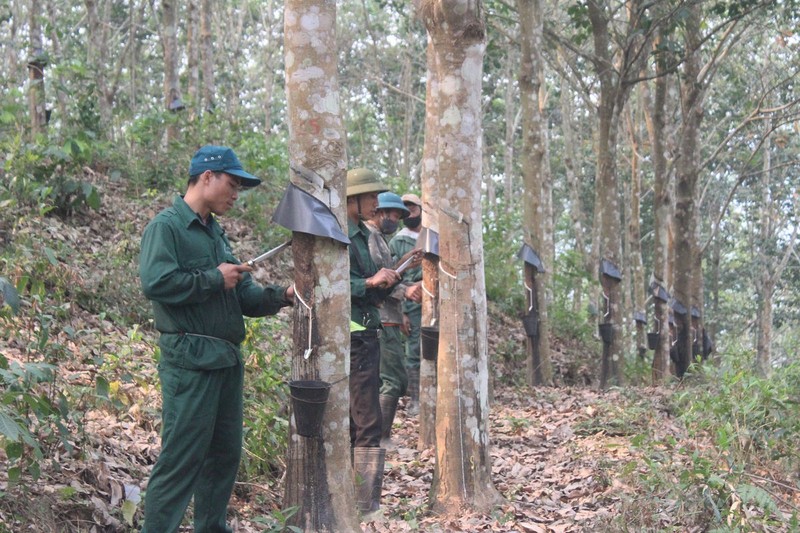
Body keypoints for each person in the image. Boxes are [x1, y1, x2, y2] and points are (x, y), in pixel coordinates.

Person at [138, 145, 294, 533]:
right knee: (181, 459)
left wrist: (284, 296)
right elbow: (155, 283)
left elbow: (244, 297)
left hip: (225, 361)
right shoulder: (167, 227)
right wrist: (213, 278)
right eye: (232, 183)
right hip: (190, 361)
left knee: (224, 456)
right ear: (206, 177)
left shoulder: (216, 235)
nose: (236, 193)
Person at [346, 168, 401, 514]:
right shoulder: (342, 235)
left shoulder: (361, 236)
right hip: (354, 336)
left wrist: (385, 283)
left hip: (367, 330)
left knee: (363, 420)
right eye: (371, 198)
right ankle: (364, 507)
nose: (376, 205)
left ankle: (360, 501)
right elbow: (335, 284)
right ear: (353, 199)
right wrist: (369, 283)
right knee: (367, 422)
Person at [364, 192, 421, 446]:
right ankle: (382, 437)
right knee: (394, 379)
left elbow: (390, 272)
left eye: (400, 216)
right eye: (394, 214)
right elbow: (379, 279)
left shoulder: (381, 239)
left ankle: (377, 435)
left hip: (389, 316)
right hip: (383, 317)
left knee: (386, 378)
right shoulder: (371, 236)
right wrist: (405, 289)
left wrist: (406, 265)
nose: (396, 220)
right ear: (380, 212)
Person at [389, 193, 423, 415]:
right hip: (412, 303)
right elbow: (391, 278)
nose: (410, 213)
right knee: (414, 350)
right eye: (406, 209)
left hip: (437, 301)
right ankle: (416, 398)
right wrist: (400, 311)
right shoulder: (397, 241)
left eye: (413, 208)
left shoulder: (433, 235)